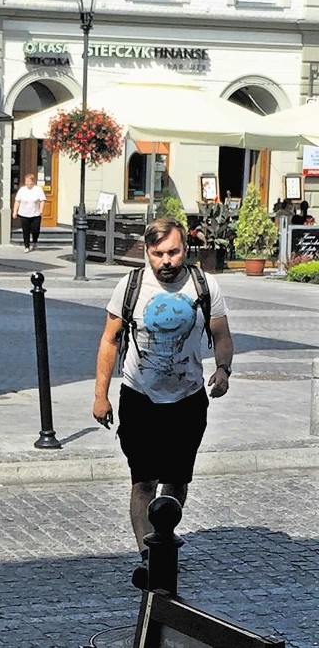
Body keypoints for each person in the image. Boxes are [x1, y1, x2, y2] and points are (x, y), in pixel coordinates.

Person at [92, 217, 234, 589]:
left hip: (188, 400)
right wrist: (100, 395)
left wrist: (223, 369)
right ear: (147, 252)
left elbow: (220, 334)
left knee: (176, 480)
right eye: (158, 253)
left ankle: (164, 538)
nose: (166, 260)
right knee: (143, 480)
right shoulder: (131, 286)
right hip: (140, 397)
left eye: (173, 252)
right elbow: (109, 340)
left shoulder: (205, 285)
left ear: (185, 248)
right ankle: (150, 556)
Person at [12, 173, 46, 252]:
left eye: (29, 181)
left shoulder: (38, 189)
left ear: (33, 182)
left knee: (35, 229)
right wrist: (15, 211)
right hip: (24, 213)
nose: (27, 183)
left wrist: (41, 210)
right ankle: (26, 246)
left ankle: (34, 242)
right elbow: (17, 201)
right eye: (26, 181)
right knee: (25, 230)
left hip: (35, 213)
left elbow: (42, 200)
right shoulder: (22, 190)